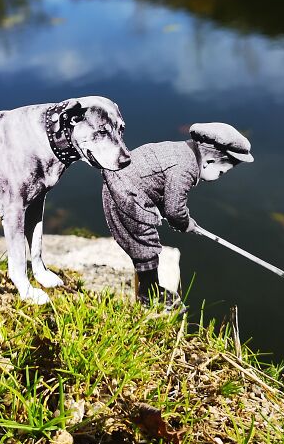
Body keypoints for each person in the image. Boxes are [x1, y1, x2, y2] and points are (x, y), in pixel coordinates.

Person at [101, 122, 254, 309]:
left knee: (142, 244)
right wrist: (185, 223)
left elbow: (159, 189)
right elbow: (174, 209)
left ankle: (148, 289)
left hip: (124, 186)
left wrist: (176, 217)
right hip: (126, 194)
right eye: (221, 173)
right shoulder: (185, 169)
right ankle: (149, 296)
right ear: (209, 162)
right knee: (146, 246)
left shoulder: (182, 151)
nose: (220, 176)